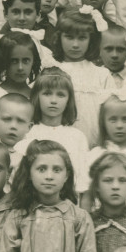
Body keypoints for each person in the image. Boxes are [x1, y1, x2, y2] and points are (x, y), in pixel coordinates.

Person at [16, 67, 92, 196]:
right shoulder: (28, 132)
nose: (53, 101)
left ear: (69, 100)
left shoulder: (77, 136)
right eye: (47, 93)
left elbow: (83, 182)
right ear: (37, 96)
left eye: (60, 95)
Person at [52, 8, 112, 147]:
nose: (75, 44)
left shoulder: (101, 74)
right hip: (60, 144)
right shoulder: (52, 70)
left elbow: (110, 113)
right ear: (59, 37)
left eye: (82, 38)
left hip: (94, 143)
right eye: (69, 37)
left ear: (91, 40)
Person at [81, 93, 126, 211]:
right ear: (103, 123)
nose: (119, 126)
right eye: (113, 120)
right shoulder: (94, 155)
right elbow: (86, 197)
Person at [0, 0, 55, 91]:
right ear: (5, 14)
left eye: (28, 12)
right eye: (16, 12)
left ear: (38, 15)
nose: (21, 18)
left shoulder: (44, 51)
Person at [0, 31, 41, 124]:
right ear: (4, 62)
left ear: (33, 62)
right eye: (14, 61)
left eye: (26, 61)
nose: (20, 68)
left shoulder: (36, 96)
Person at [98, 23, 126, 89]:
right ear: (99, 50)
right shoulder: (94, 76)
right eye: (109, 49)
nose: (114, 55)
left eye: (120, 49)